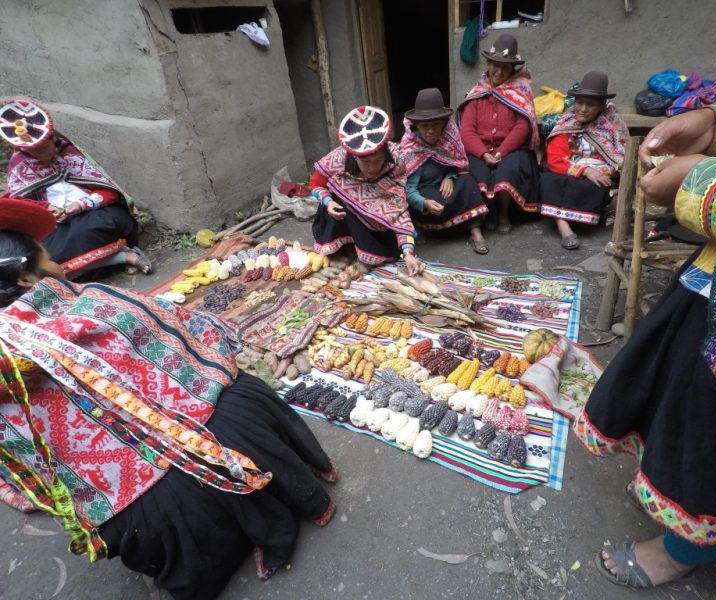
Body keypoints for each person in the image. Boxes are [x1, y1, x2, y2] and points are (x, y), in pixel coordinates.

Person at [0, 198, 336, 599]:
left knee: (169, 491)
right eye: (48, 258)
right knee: (236, 396)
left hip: (130, 509)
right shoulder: (95, 305)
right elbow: (199, 333)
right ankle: (296, 493)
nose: (58, 264)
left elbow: (25, 478)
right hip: (209, 454)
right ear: (25, 277)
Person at [574, 70, 716, 589]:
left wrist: (699, 182)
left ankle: (691, 546)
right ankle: (671, 488)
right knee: (676, 386)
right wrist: (715, 123)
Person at [0, 99, 151, 277]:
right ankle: (124, 257)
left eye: (43, 149)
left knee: (95, 228)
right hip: (58, 226)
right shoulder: (20, 165)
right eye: (33, 152)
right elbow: (22, 206)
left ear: (53, 139)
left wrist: (81, 204)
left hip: (95, 213)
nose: (39, 156)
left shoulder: (71, 153)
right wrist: (47, 211)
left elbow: (109, 192)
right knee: (44, 255)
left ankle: (110, 259)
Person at [311, 105, 425, 275]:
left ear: (385, 156)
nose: (371, 168)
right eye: (365, 162)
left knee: (388, 246)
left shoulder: (397, 160)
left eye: (377, 161)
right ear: (354, 157)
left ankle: (365, 249)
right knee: (339, 194)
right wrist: (327, 202)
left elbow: (399, 209)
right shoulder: (339, 158)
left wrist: (408, 252)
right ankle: (345, 248)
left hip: (378, 222)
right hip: (345, 216)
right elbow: (316, 184)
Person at [458, 33, 540, 233]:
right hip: (480, 150)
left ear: (512, 69)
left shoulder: (520, 92)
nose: (498, 70)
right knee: (477, 170)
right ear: (488, 64)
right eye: (494, 64)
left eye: (504, 67)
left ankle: (504, 214)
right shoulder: (477, 94)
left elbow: (522, 128)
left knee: (507, 170)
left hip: (512, 150)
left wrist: (500, 153)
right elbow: (467, 130)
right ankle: (490, 211)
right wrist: (484, 153)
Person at [540, 72, 628, 249]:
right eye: (580, 102)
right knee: (548, 179)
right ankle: (563, 225)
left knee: (594, 185)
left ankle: (580, 215)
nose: (583, 109)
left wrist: (604, 171)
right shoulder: (566, 124)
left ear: (602, 106)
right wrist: (584, 170)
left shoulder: (611, 125)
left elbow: (620, 159)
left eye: (591, 104)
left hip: (598, 175)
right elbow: (555, 159)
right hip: (571, 170)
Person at [400, 88, 489, 254]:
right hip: (426, 197)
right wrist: (423, 203)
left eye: (436, 125)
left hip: (443, 188)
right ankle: (426, 228)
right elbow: (407, 190)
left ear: (444, 124)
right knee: (428, 198)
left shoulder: (448, 140)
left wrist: (450, 176)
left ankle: (475, 231)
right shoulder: (410, 149)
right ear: (416, 126)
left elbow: (456, 165)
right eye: (425, 126)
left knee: (468, 181)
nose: (431, 131)